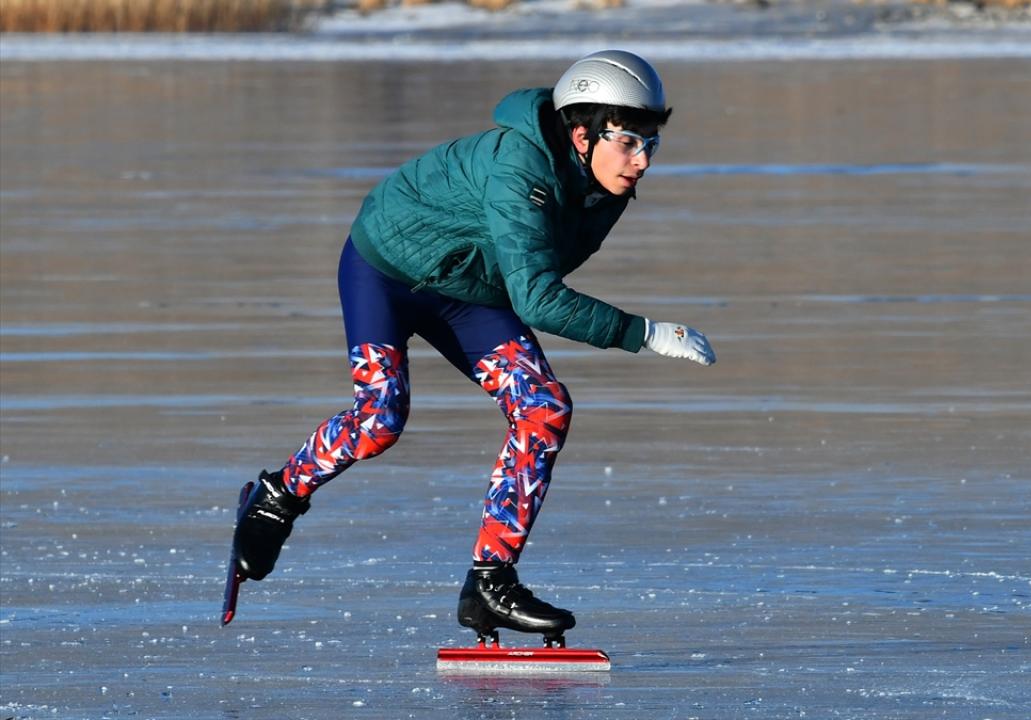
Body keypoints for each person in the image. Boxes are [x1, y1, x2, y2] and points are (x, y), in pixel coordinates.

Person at [230, 50, 716, 646]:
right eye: (628, 143)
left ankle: (491, 581)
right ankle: (277, 495)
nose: (641, 161)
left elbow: (532, 271)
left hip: (469, 288)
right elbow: (537, 297)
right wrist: (645, 333)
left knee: (543, 408)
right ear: (582, 134)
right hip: (385, 270)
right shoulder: (521, 171)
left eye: (651, 145)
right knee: (380, 418)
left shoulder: (604, 180)